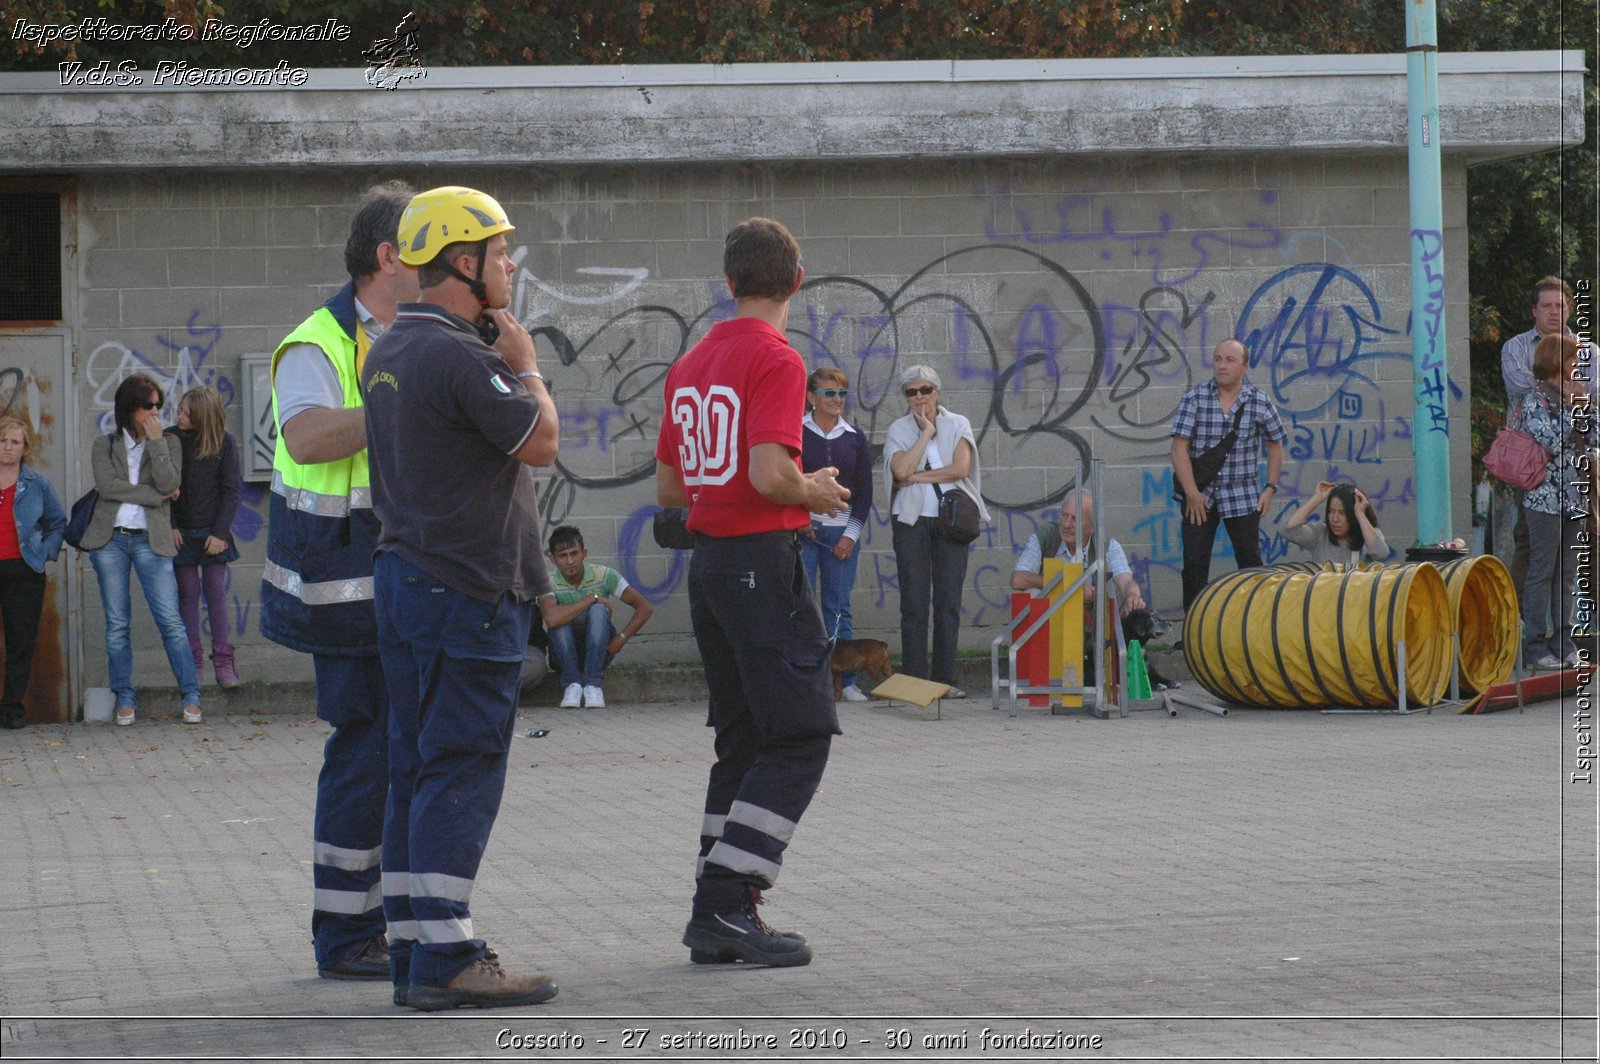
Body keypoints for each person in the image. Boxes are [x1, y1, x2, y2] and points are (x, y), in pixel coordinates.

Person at [364, 185, 561, 1010]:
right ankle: (447, 952)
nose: (510, 264)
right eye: (498, 251)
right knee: (461, 769)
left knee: (415, 766)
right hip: (468, 592)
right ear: (461, 262)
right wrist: (527, 368)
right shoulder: (461, 356)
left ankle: (416, 946)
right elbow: (542, 442)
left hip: (408, 583)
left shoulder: (389, 351)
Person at [655, 217, 848, 967]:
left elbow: (672, 485)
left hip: (709, 566)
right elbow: (772, 475)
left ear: (729, 281)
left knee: (741, 739)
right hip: (763, 561)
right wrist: (816, 491)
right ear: (797, 281)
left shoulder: (690, 362)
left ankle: (720, 900)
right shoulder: (777, 359)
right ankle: (726, 901)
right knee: (799, 733)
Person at [262, 181, 417, 983]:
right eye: (421, 249)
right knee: (366, 754)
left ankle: (387, 924)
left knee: (403, 757)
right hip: (344, 592)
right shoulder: (316, 341)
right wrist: (404, 401)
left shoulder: (421, 334)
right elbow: (311, 435)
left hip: (403, 584)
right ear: (388, 257)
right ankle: (346, 934)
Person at [80, 374, 202, 726]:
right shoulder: (103, 445)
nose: (154, 412)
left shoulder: (168, 443)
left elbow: (171, 483)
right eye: (147, 405)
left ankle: (191, 696)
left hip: (152, 540)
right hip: (111, 540)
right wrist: (156, 497)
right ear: (128, 407)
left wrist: (156, 443)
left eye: (158, 406)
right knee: (117, 624)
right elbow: (107, 487)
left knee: (170, 621)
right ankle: (125, 697)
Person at [883, 364, 989, 697]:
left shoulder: (958, 424)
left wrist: (915, 477)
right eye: (911, 392)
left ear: (937, 392)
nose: (919, 397)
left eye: (925, 390)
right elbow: (899, 468)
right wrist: (926, 433)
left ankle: (945, 680)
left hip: (950, 522)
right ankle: (914, 682)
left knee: (948, 602)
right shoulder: (899, 429)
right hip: (911, 521)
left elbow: (960, 468)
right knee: (913, 604)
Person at [1171, 338, 1286, 627]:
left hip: (1242, 493)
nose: (1221, 365)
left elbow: (1275, 445)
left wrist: (1270, 488)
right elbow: (1179, 448)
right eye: (1218, 359)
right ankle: (1195, 629)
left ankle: (1257, 626)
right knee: (1195, 565)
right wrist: (1192, 493)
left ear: (1245, 366)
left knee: (1250, 562)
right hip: (1201, 495)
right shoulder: (1194, 398)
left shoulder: (1258, 401)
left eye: (1230, 360)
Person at [1010, 490, 1168, 687]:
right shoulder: (1045, 536)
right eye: (1064, 515)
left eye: (1075, 519)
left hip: (1095, 617)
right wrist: (1073, 588)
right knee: (1032, 595)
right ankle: (1041, 671)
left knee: (1128, 603)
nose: (1066, 524)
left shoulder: (1107, 544)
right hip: (1057, 617)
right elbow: (1018, 579)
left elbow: (1126, 579)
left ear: (1092, 527)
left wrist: (1132, 595)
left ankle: (1124, 670)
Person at [1501, 278, 1583, 591]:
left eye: (1559, 306)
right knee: (1527, 542)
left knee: (1587, 542)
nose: (1553, 312)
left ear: (1569, 309)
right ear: (1534, 310)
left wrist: (1556, 384)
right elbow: (1522, 387)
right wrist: (1562, 385)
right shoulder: (1515, 347)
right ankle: (1520, 622)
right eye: (1546, 306)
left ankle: (1582, 626)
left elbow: (1596, 392)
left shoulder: (1588, 350)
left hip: (1579, 462)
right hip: (1531, 465)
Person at [1518, 334, 1594, 670]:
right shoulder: (1535, 401)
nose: (1576, 368)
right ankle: (1535, 645)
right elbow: (1549, 439)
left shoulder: (1578, 398)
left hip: (1575, 497)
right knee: (1542, 572)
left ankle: (1564, 641)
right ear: (1555, 361)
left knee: (1567, 574)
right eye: (1572, 361)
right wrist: (1569, 410)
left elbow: (1595, 437)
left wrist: (1583, 410)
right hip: (1544, 499)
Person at [800, 367, 874, 701]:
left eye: (842, 393)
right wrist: (798, 519)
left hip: (841, 535)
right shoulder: (796, 432)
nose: (837, 400)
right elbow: (789, 480)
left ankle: (848, 682)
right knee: (800, 606)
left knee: (838, 607)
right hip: (805, 533)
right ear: (811, 397)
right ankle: (805, 681)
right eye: (829, 393)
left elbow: (865, 494)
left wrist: (850, 536)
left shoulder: (855, 437)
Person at [171, 386, 242, 689]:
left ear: (203, 417)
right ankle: (193, 662)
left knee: (215, 590)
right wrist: (170, 525)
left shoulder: (224, 443)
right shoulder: (169, 439)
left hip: (213, 532)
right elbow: (162, 485)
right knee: (187, 592)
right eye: (180, 410)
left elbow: (231, 490)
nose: (180, 416)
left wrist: (219, 533)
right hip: (181, 533)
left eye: (187, 413)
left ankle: (223, 662)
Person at [0, 415, 66, 729]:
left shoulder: (37, 484)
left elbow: (57, 523)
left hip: (24, 571)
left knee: (20, 642)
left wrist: (44, 553)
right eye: (3, 441)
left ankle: (12, 709)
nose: (7, 448)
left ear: (25, 447)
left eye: (15, 442)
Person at [545, 523, 654, 709]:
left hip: (600, 653)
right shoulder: (547, 582)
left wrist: (621, 638)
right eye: (563, 556)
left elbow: (644, 607)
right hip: (562, 655)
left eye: (574, 553)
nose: (570, 561)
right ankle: (572, 684)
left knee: (598, 610)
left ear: (584, 553)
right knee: (563, 616)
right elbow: (552, 619)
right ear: (553, 559)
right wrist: (592, 599)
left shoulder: (604, 575)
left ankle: (593, 685)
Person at [1281, 480, 1390, 565]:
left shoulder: (1368, 534)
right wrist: (1317, 498)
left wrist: (1360, 514)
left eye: (1342, 513)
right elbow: (1289, 531)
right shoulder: (1320, 534)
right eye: (1331, 511)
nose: (1335, 519)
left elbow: (1381, 553)